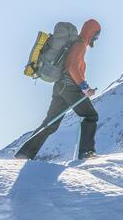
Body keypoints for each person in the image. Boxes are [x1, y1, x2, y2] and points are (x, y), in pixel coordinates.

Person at [15, 19, 102, 161]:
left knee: (50, 123)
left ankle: (24, 154)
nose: (96, 39)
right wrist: (85, 88)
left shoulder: (75, 44)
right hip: (70, 88)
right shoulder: (80, 45)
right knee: (90, 116)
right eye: (96, 35)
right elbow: (73, 67)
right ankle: (86, 152)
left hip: (59, 87)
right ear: (91, 33)